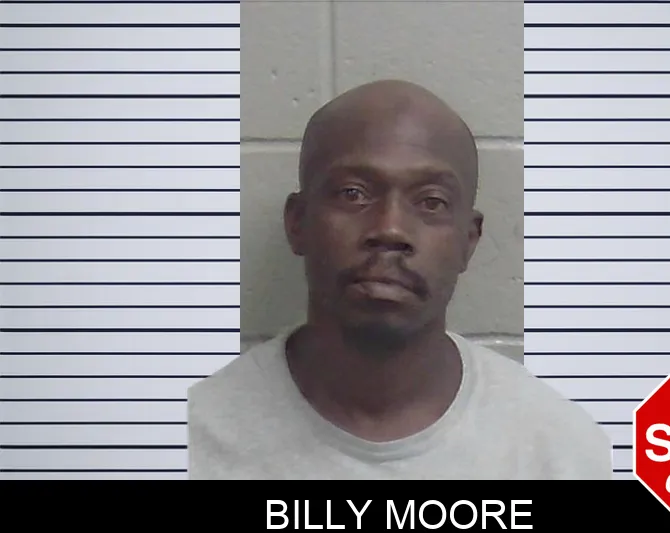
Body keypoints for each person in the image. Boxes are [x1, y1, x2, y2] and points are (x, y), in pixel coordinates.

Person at [187, 79, 612, 480]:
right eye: (353, 193)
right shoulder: (193, 441)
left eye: (431, 202)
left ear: (468, 241)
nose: (390, 228)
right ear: (298, 223)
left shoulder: (560, 451)